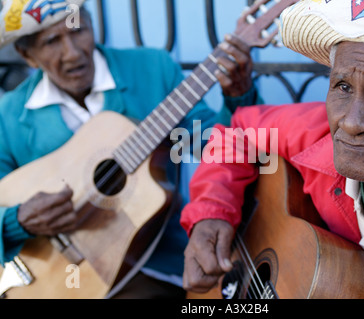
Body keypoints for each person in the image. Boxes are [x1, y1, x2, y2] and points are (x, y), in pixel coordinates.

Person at [181, 0, 364, 299]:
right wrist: (212, 213)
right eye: (343, 87)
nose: (350, 122)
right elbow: (236, 132)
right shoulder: (317, 134)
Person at [0, 0, 260, 298]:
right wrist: (15, 220)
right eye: (51, 41)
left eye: (79, 31)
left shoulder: (152, 69)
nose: (72, 52)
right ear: (27, 56)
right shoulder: (9, 116)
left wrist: (238, 98)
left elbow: (212, 146)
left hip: (162, 262)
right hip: (63, 280)